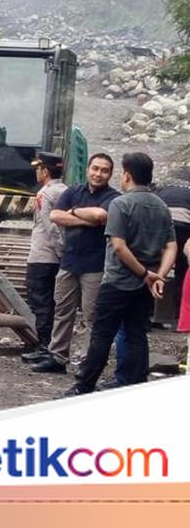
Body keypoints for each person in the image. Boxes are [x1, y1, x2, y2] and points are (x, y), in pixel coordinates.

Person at [67, 152, 176, 395]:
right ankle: (136, 384)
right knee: (137, 333)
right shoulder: (161, 206)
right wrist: (158, 275)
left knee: (102, 335)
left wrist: (145, 273)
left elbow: (118, 245)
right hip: (145, 286)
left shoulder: (121, 204)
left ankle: (84, 387)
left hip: (118, 282)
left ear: (126, 175)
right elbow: (171, 246)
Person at [31, 153, 120, 374]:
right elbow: (55, 216)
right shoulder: (73, 191)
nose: (98, 174)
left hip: (95, 265)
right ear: (88, 169)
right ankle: (57, 357)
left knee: (91, 315)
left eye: (104, 170)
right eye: (95, 168)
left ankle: (89, 362)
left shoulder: (113, 197)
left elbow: (101, 215)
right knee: (63, 310)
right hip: (69, 261)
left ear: (110, 174)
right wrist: (86, 220)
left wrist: (73, 212)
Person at [21, 151, 68, 359]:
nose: (37, 172)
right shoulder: (65, 191)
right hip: (55, 258)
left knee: (40, 302)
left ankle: (44, 346)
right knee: (51, 302)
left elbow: (51, 228)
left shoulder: (45, 194)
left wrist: (60, 251)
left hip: (43, 256)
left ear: (45, 171)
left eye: (38, 168)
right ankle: (50, 345)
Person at [155, 168, 190, 329]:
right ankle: (177, 316)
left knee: (156, 266)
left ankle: (152, 314)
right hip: (184, 226)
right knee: (183, 270)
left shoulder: (162, 188)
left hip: (160, 224)